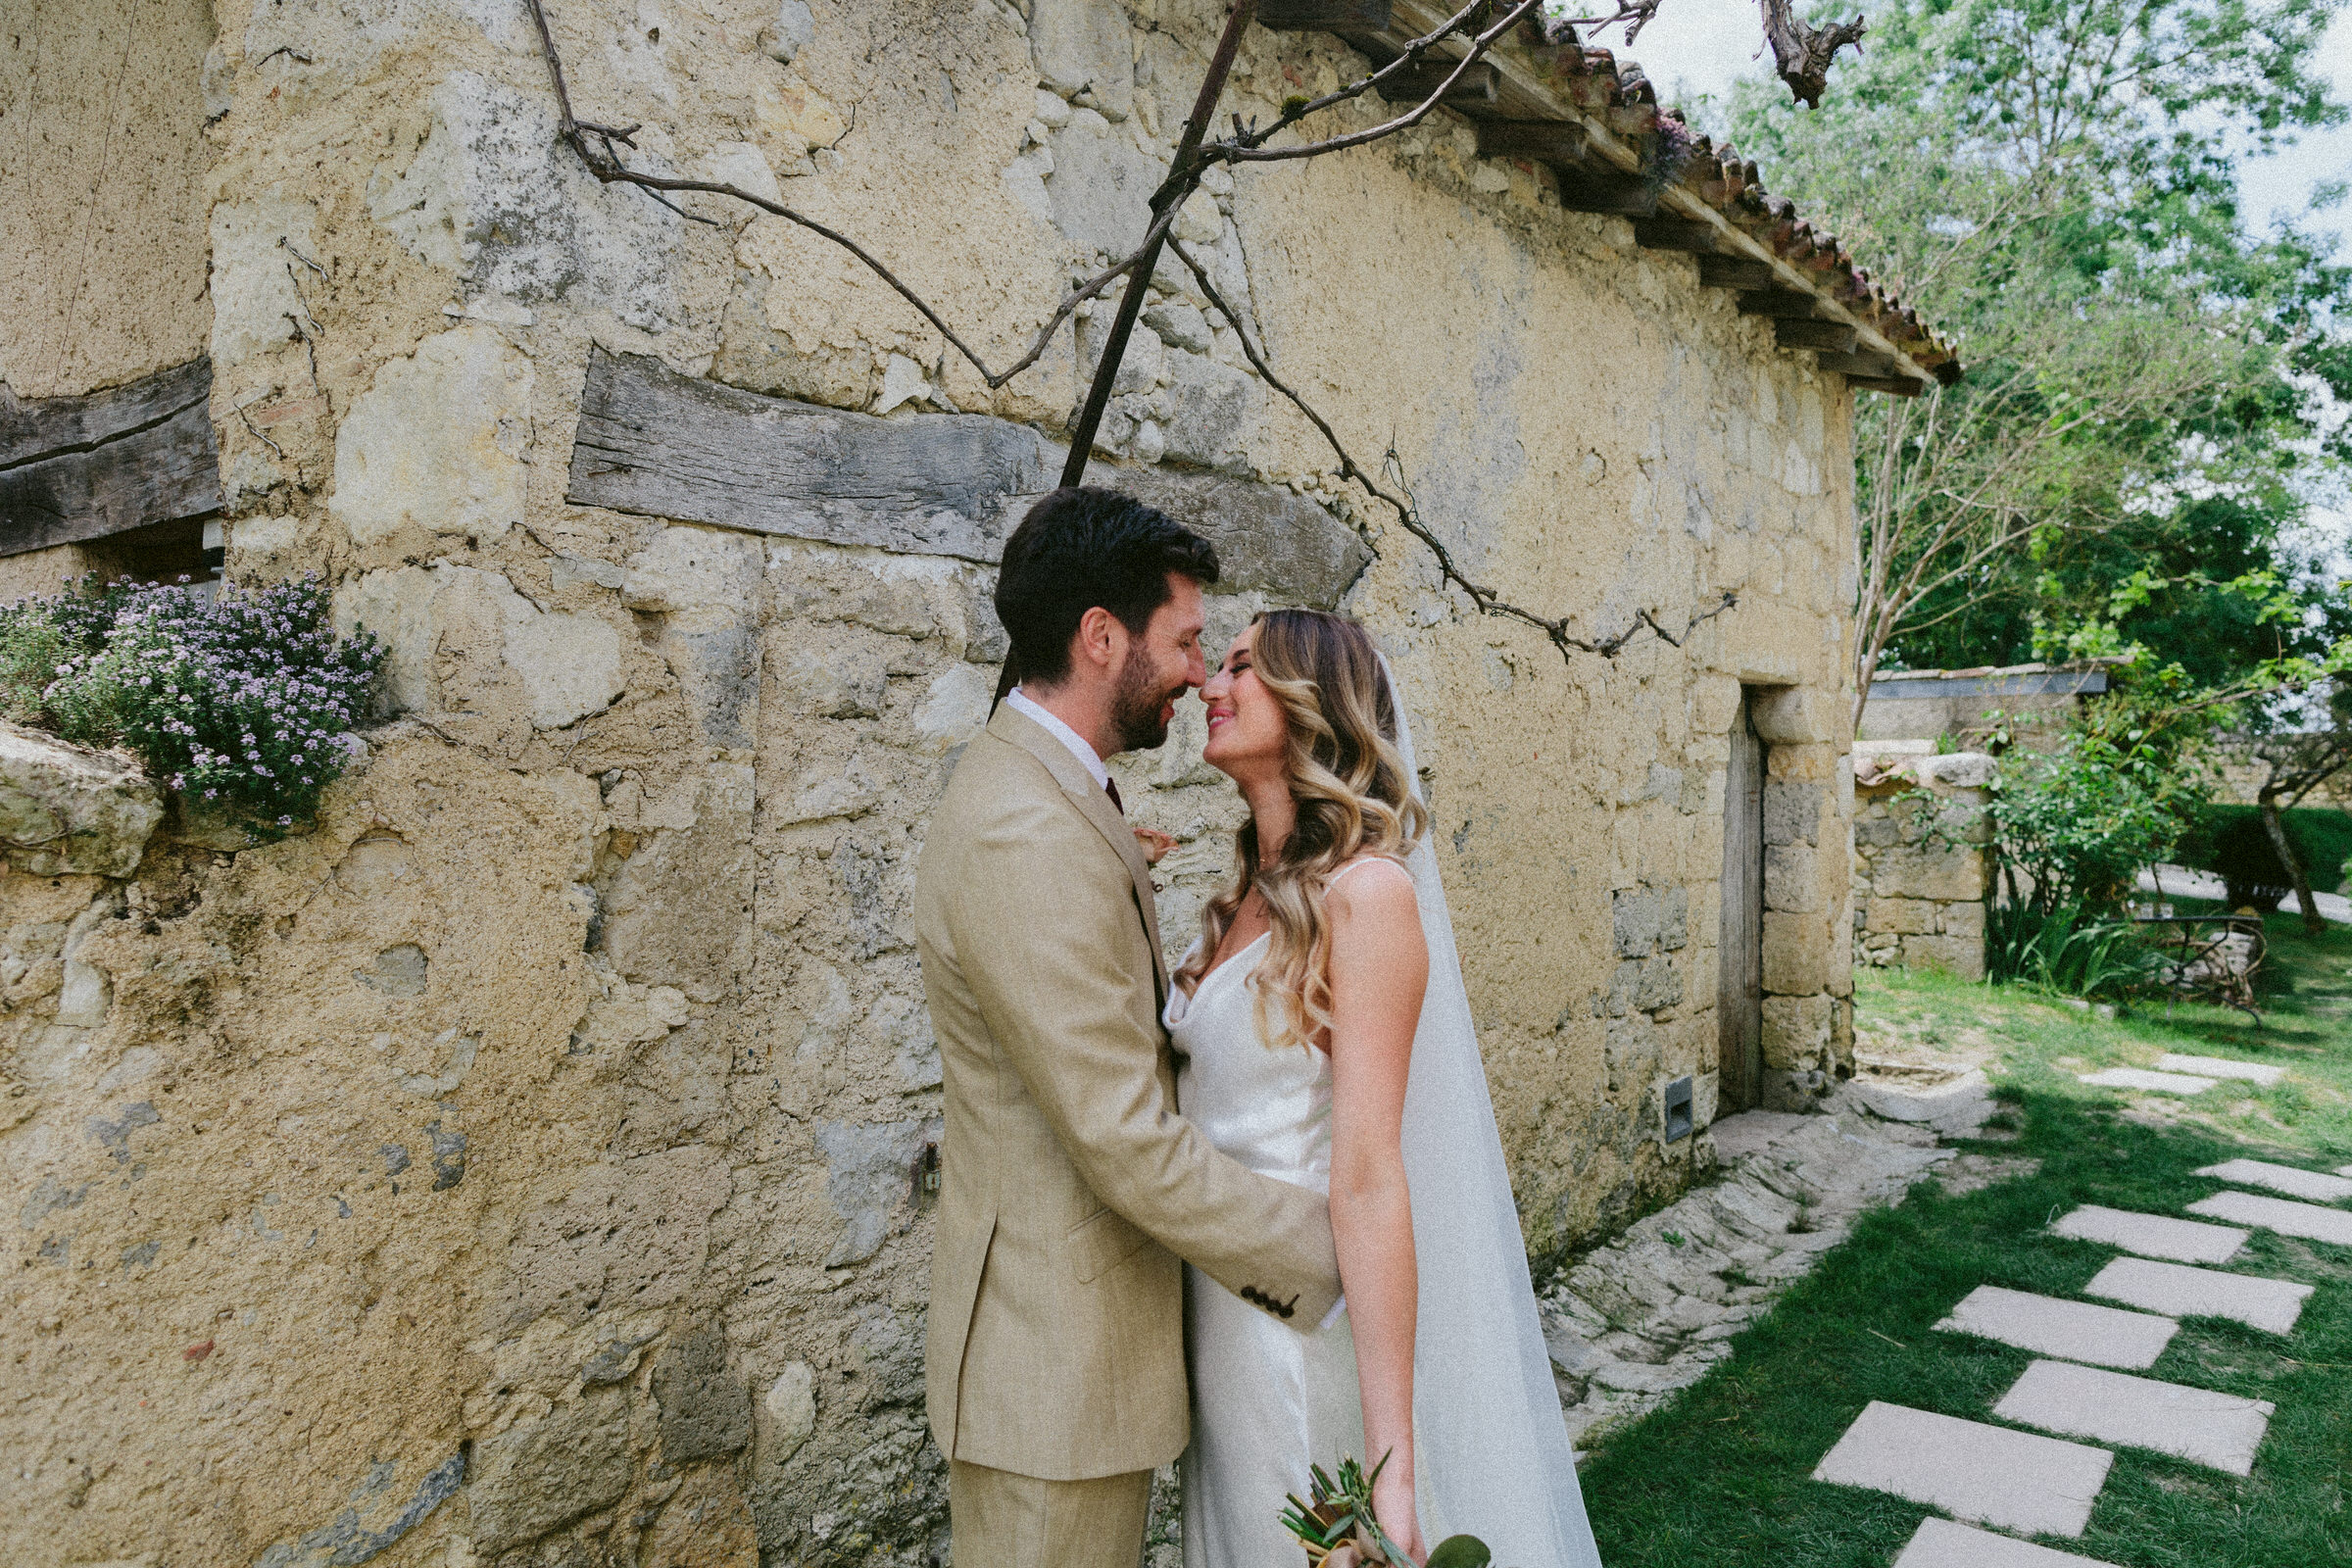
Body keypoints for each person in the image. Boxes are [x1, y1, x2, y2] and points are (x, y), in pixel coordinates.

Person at [913, 488, 1346, 1568]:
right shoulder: (1027, 831)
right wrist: (1336, 1257)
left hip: (1075, 1362)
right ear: (1102, 637)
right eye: (1188, 640)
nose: (1200, 673)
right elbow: (1121, 1136)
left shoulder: (1053, 794)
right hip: (1050, 1378)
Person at [1172, 609, 1603, 1568]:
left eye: (1241, 666)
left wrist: (1392, 1465)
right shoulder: (1244, 896)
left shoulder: (1366, 897)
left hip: (1301, 1338)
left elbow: (1369, 1176)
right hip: (1219, 1328)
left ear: (1311, 702)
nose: (1211, 683)